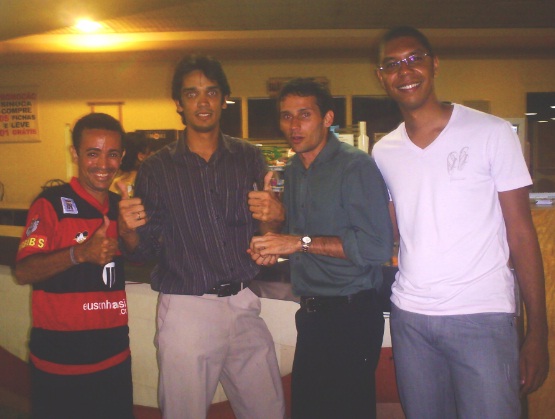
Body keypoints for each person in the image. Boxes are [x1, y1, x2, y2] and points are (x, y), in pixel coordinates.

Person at [372, 26, 549, 419]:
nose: (405, 71)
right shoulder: (384, 151)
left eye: (414, 59)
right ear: (381, 76)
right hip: (411, 319)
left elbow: (522, 234)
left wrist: (538, 330)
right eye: (392, 64)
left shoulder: (491, 132)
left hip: (482, 315)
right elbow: (392, 231)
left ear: (434, 64)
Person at [117, 54, 286, 419]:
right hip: (187, 309)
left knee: (268, 410)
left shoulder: (248, 157)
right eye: (191, 94)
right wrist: (127, 230)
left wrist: (273, 220)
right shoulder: (157, 168)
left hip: (243, 303)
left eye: (211, 91)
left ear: (224, 98)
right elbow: (143, 250)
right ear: (179, 103)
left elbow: (265, 229)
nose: (203, 101)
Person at [249, 78, 393, 419]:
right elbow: (298, 238)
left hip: (352, 315)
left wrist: (296, 243)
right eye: (286, 116)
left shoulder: (354, 166)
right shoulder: (293, 170)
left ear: (327, 118)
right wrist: (272, 235)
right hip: (312, 314)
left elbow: (377, 247)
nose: (294, 125)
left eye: (304, 114)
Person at [14, 113, 133, 419]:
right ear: (75, 154)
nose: (103, 164)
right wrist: (78, 254)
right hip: (59, 363)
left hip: (115, 358)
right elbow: (24, 271)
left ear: (121, 157)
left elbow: (138, 256)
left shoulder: (121, 207)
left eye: (112, 154)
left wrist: (131, 232)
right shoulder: (50, 203)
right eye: (93, 153)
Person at [110, 131, 165, 196]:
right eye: (150, 153)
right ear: (141, 156)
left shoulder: (111, 180)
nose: (154, 155)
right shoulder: (148, 181)